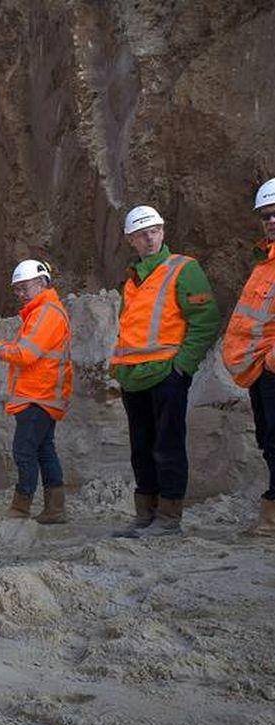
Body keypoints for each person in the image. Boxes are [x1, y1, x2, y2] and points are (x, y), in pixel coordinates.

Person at [111, 206, 220, 537]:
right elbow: (129, 329)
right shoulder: (131, 282)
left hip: (166, 375)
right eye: (142, 233)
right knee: (141, 448)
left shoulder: (183, 269)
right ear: (131, 239)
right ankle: (145, 513)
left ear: (162, 231)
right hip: (133, 376)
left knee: (167, 445)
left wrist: (182, 367)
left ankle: (169, 517)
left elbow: (205, 320)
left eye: (154, 230)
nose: (149, 237)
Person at [0, 260, 72, 523]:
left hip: (39, 396)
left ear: (42, 283)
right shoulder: (40, 312)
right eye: (17, 290)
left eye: (24, 288)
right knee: (44, 451)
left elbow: (25, 354)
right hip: (41, 395)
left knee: (24, 451)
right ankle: (55, 509)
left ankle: (21, 507)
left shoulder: (46, 313)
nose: (20, 295)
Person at [222, 179, 275, 536]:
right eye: (265, 216)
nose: (270, 221)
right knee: (269, 439)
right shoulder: (264, 265)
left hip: (270, 365)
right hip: (260, 369)